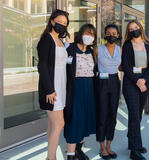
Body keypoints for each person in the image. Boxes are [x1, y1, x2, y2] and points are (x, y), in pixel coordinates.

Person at [37, 9, 69, 160]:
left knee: (52, 125)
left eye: (64, 23)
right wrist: (49, 90)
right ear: (52, 21)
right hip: (52, 89)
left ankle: (50, 157)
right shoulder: (46, 39)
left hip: (61, 87)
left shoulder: (60, 40)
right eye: (59, 22)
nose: (61, 25)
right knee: (59, 124)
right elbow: (42, 66)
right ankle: (51, 158)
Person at [121, 20, 149, 160]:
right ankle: (134, 150)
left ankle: (134, 139)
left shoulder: (148, 45)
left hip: (144, 82)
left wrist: (143, 80)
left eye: (136, 27)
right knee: (134, 115)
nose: (134, 30)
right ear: (128, 32)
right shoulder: (127, 45)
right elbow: (126, 66)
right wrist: (137, 81)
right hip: (130, 83)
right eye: (131, 29)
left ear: (141, 28)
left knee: (138, 115)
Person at [63, 24, 97, 160]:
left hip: (89, 90)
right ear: (81, 33)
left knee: (85, 121)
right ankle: (70, 156)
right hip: (74, 90)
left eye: (92, 34)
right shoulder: (69, 48)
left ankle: (78, 150)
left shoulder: (92, 51)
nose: (89, 36)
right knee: (74, 121)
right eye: (87, 32)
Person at [96, 24, 122, 160]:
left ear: (118, 35)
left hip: (114, 81)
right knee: (102, 114)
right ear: (105, 35)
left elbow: (123, 67)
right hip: (101, 81)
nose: (111, 35)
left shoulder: (120, 49)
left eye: (114, 33)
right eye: (108, 33)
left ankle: (109, 145)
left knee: (112, 113)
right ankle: (101, 146)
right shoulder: (98, 50)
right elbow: (94, 66)